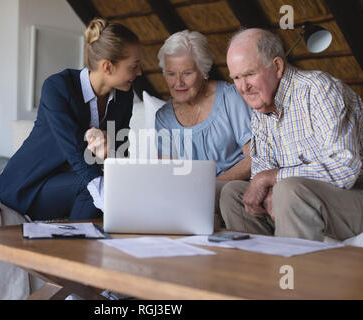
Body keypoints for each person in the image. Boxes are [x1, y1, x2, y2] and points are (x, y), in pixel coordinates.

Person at [220, 28, 363, 241]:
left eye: (250, 74)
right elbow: (262, 170)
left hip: (354, 197)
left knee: (289, 190)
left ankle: (293, 271)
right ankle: (258, 269)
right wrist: (268, 187)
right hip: (301, 199)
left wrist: (274, 179)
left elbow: (346, 167)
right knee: (233, 194)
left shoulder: (319, 90)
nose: (243, 87)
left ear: (277, 66)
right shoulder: (261, 108)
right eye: (237, 78)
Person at [0, 18, 142, 221]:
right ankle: (74, 246)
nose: (139, 72)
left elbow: (120, 151)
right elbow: (75, 150)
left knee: (114, 184)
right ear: (108, 67)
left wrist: (114, 159)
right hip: (30, 185)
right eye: (134, 66)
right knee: (94, 186)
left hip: (71, 181)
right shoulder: (58, 87)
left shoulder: (124, 95)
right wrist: (111, 196)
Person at [155, 30, 253, 229]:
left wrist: (211, 186)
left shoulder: (230, 98)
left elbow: (253, 158)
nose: (178, 83)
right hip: (190, 196)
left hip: (232, 190)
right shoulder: (163, 117)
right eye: (171, 73)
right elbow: (168, 172)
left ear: (204, 70)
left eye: (187, 73)